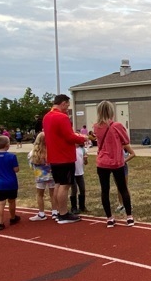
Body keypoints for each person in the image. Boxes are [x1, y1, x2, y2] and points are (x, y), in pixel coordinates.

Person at [42, 94, 88, 224]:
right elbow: (69, 136)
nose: (68, 108)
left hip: (54, 156)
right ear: (63, 103)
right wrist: (82, 139)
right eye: (67, 105)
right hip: (64, 156)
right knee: (65, 185)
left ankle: (57, 211)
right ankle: (63, 214)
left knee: (57, 184)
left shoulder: (47, 117)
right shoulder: (62, 117)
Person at [93, 100, 135, 228]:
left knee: (104, 190)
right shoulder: (117, 125)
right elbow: (126, 140)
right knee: (123, 188)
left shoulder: (96, 126)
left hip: (102, 162)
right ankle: (129, 217)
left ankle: (109, 218)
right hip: (116, 161)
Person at [0, 135, 20, 231]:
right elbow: (16, 169)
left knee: (0, 204)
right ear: (7, 145)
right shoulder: (12, 156)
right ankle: (13, 217)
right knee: (12, 201)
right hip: (11, 183)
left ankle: (0, 223)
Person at [27, 132, 57, 221]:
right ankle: (55, 212)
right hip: (52, 174)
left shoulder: (33, 153)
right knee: (53, 194)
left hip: (39, 176)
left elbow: (31, 165)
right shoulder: (52, 150)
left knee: (40, 195)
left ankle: (41, 213)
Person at [70, 140, 88, 214]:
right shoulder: (71, 149)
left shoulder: (83, 150)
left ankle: (82, 206)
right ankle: (73, 207)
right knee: (74, 189)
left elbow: (86, 163)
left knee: (82, 189)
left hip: (80, 173)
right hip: (72, 173)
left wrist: (85, 160)